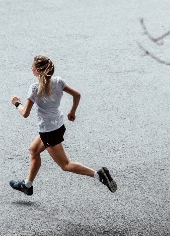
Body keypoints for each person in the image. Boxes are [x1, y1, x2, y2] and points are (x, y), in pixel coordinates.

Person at [9, 55, 116, 196]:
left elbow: (25, 113)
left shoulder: (35, 89)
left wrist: (17, 103)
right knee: (34, 150)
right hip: (58, 126)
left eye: (33, 67)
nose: (31, 68)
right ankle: (27, 185)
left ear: (38, 71)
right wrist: (72, 112)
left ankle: (98, 175)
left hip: (49, 132)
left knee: (65, 165)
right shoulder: (58, 82)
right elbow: (77, 95)